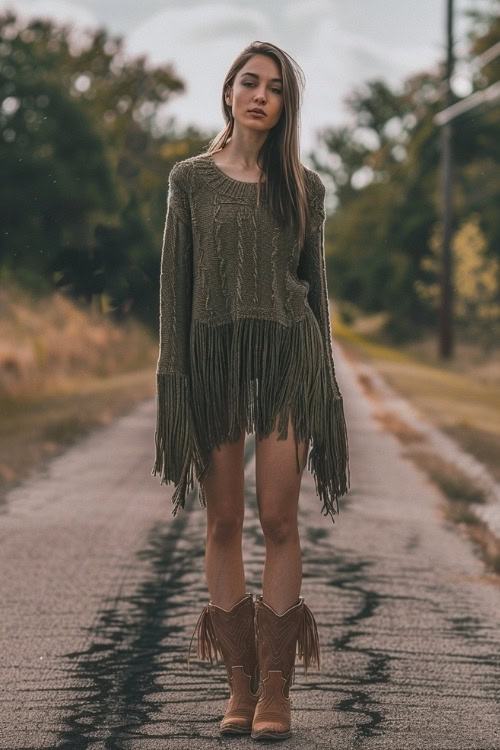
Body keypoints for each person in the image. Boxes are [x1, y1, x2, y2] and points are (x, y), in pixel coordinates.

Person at [152, 40, 350, 740]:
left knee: (280, 519)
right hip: (211, 365)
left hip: (284, 360)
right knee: (223, 522)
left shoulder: (305, 188)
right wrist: (174, 382)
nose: (259, 94)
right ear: (229, 93)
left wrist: (322, 384)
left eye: (273, 87)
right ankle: (237, 687)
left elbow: (316, 297)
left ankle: (275, 691)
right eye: (248, 82)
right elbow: (175, 290)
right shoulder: (191, 181)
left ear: (285, 105)